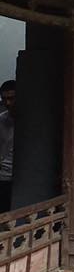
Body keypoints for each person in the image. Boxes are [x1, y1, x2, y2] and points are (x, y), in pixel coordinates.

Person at [0, 80, 15, 213]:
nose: (7, 103)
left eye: (11, 98)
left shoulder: (31, 121)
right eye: (4, 99)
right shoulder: (1, 121)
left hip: (23, 178)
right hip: (3, 178)